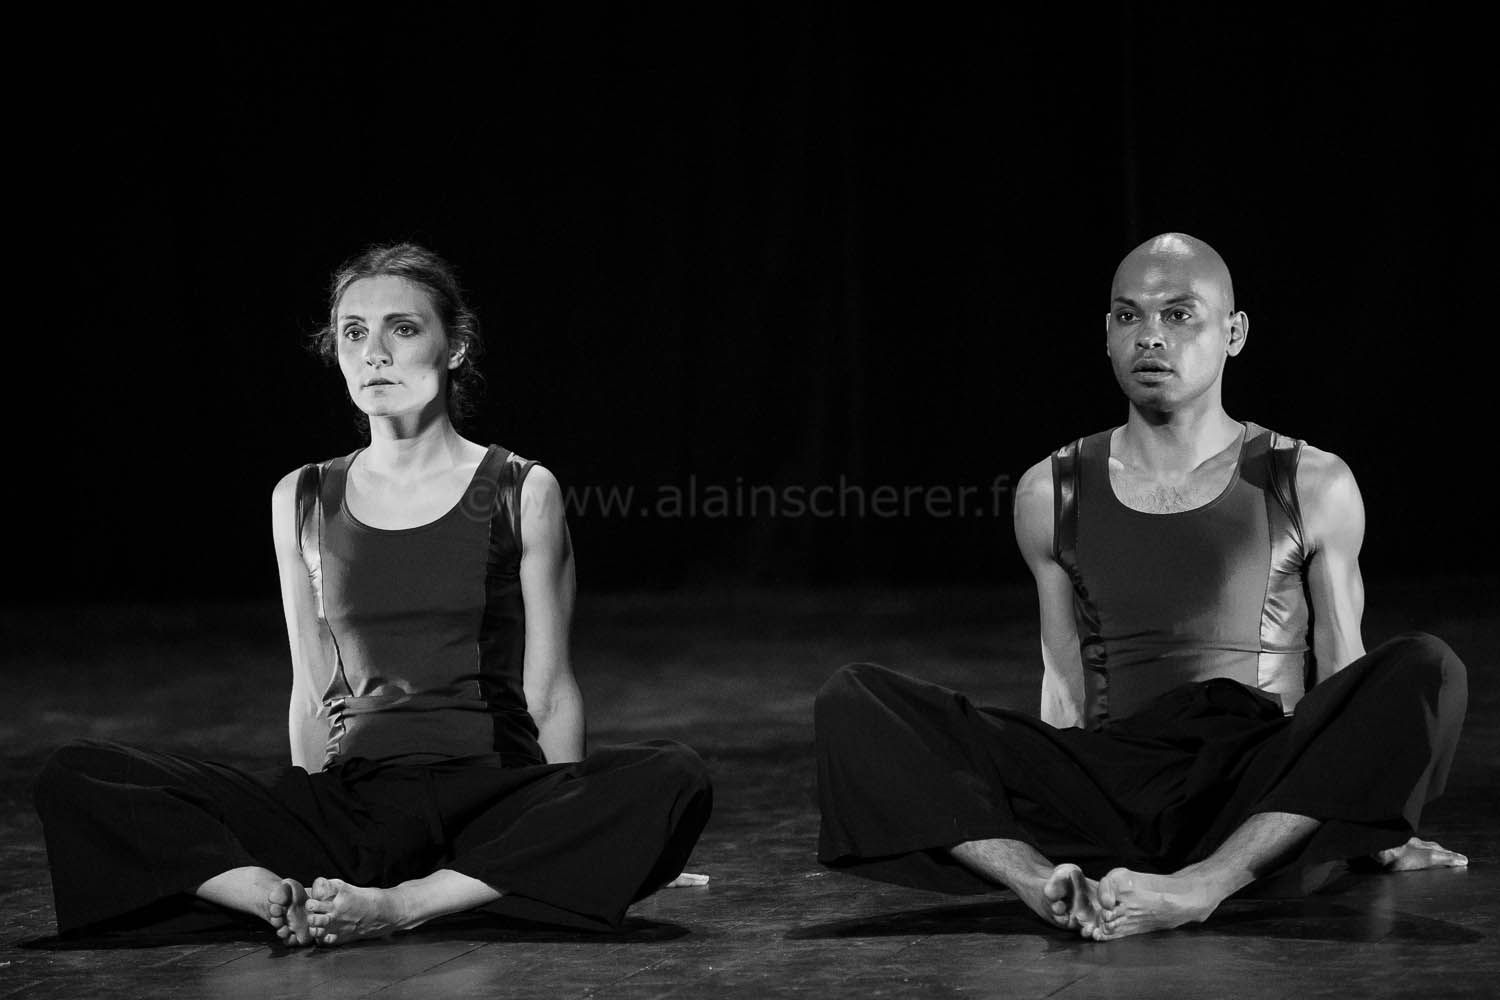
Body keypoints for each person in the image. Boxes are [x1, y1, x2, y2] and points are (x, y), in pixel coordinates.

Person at [34, 243, 712, 947]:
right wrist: (307, 814)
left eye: (403, 328)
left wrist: (563, 823)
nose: (375, 353)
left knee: (672, 773)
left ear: (456, 347)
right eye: (354, 333)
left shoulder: (520, 488)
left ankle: (408, 904)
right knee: (80, 773)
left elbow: (550, 692)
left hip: (487, 799)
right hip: (353, 803)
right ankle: (272, 897)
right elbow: (310, 692)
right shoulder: (301, 497)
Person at [814, 233, 1467, 941]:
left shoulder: (1309, 479)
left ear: (1234, 333)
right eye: (1129, 316)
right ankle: (1041, 884)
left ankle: (1204, 884)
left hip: (1250, 781)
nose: (1151, 336)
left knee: (1425, 665)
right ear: (1107, 334)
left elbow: (1344, 675)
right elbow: (1063, 682)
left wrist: (1369, 817)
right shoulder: (1051, 489)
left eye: (1179, 314)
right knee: (856, 698)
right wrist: (1054, 789)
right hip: (1112, 781)